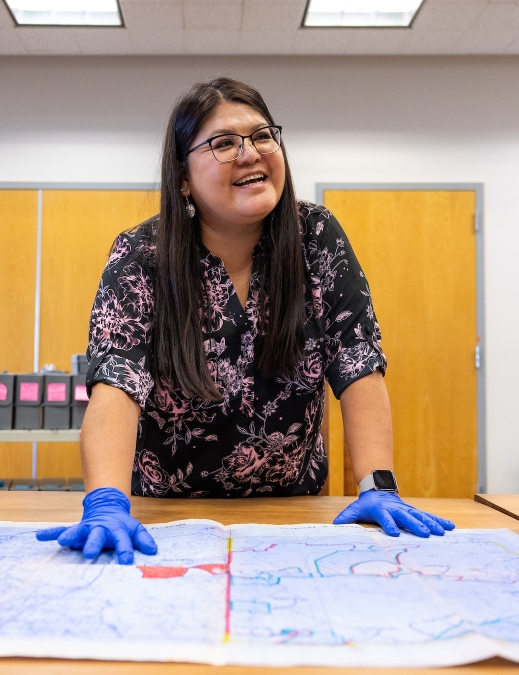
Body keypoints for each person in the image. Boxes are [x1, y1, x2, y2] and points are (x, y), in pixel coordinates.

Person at [37, 77, 454, 563]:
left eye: (262, 136)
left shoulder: (317, 237)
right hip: (161, 519)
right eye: (223, 143)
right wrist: (105, 499)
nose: (250, 152)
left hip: (294, 511)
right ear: (183, 178)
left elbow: (358, 364)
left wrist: (378, 485)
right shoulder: (141, 254)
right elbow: (117, 384)